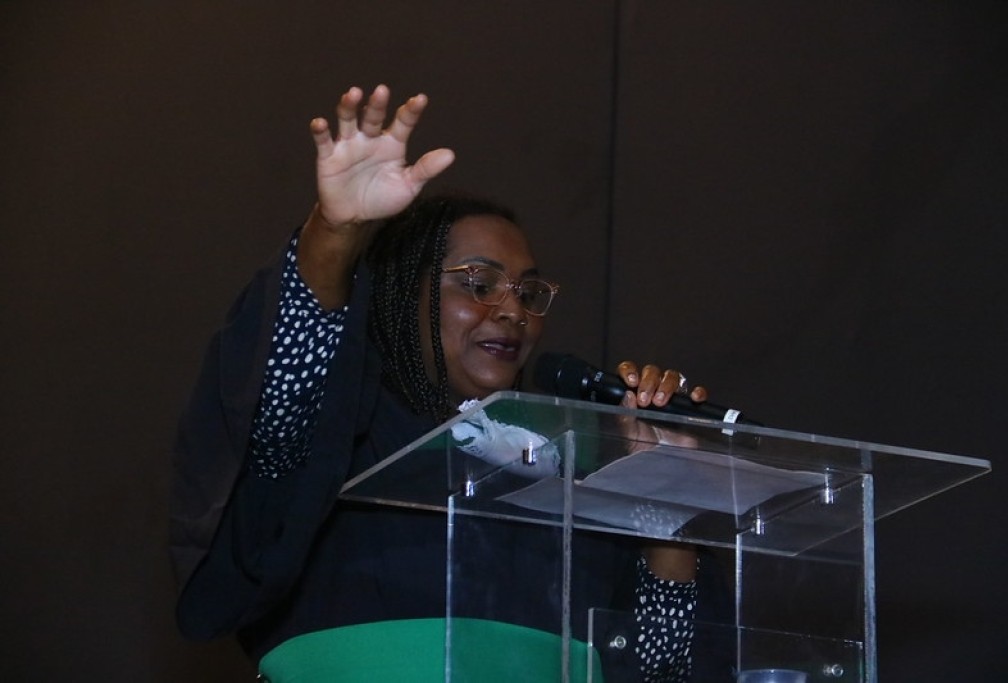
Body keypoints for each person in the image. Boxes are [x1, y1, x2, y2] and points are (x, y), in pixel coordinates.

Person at [171, 85, 730, 682]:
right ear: (402, 293)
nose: (512, 311)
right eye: (479, 283)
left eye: (529, 292)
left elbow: (661, 670)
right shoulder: (351, 433)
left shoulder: (568, 464)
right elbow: (281, 405)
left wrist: (663, 500)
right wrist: (334, 233)